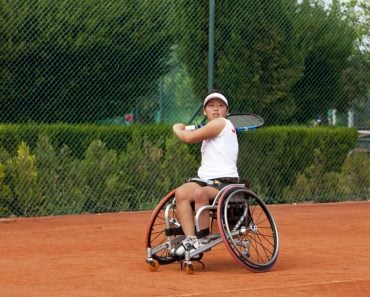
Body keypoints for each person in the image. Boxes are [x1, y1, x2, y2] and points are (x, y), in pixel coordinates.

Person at [172, 90, 239, 258]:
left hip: (225, 182)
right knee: (181, 193)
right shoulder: (211, 128)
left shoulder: (221, 124)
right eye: (211, 106)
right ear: (205, 111)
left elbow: (187, 138)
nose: (216, 110)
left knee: (198, 193)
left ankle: (202, 240)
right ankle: (191, 240)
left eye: (220, 106)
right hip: (204, 180)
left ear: (226, 111)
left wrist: (177, 128)